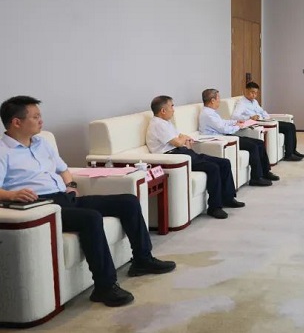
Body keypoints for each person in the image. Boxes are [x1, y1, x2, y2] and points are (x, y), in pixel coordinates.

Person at [0, 96, 176, 307]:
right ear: (16, 122)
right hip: (41, 207)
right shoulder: (3, 151)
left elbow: (63, 169)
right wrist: (12, 195)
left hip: (65, 198)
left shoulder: (41, 143)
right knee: (90, 218)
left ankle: (142, 260)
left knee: (128, 201)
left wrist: (71, 185)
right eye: (35, 117)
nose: (41, 121)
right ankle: (104, 287)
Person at [146, 95, 244, 220]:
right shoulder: (157, 124)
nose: (173, 110)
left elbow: (181, 136)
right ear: (163, 110)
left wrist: (183, 139)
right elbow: (178, 142)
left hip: (182, 152)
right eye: (172, 106)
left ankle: (228, 198)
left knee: (224, 162)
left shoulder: (166, 122)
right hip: (173, 156)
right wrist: (183, 139)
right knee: (213, 168)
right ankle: (214, 207)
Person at [198, 89, 280, 187]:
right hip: (220, 139)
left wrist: (235, 122)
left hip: (225, 136)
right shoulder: (207, 114)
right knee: (253, 146)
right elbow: (224, 129)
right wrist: (238, 126)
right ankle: (256, 178)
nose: (219, 101)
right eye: (218, 98)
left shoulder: (211, 112)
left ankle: (265, 172)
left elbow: (222, 122)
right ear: (212, 100)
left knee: (259, 143)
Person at [232, 82, 304, 162]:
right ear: (246, 90)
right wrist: (249, 117)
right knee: (288, 128)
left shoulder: (254, 101)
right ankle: (289, 154)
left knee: (291, 125)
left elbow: (262, 111)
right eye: (252, 92)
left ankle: (293, 151)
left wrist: (268, 117)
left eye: (256, 93)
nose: (254, 95)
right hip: (258, 123)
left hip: (266, 121)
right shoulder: (241, 103)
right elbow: (235, 116)